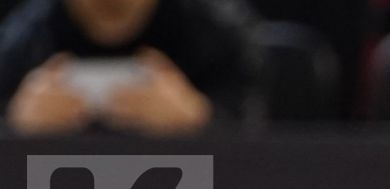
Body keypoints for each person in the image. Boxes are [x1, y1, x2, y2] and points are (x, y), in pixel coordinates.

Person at [0, 0, 260, 135]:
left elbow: (259, 128)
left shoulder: (219, 35)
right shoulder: (26, 38)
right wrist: (16, 126)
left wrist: (200, 119)